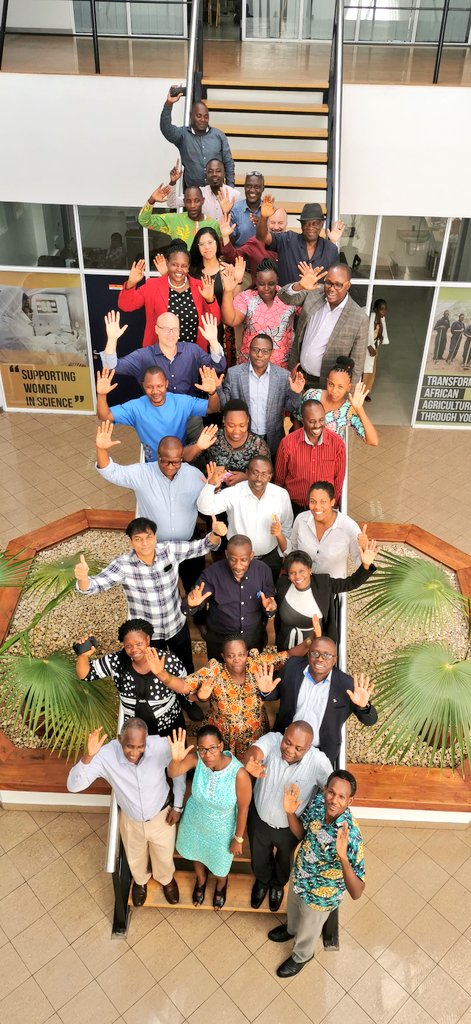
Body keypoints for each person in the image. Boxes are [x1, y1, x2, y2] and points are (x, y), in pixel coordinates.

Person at [74, 515, 225, 674]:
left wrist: (215, 534)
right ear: (131, 542)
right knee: (153, 671)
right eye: (138, 539)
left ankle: (186, 689)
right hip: (146, 634)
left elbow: (203, 546)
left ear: (155, 537)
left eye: (148, 537)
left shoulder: (169, 550)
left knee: (185, 664)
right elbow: (94, 585)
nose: (145, 543)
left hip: (176, 624)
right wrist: (83, 579)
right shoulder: (123, 565)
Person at [67, 720, 185, 907]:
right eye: (129, 746)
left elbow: (178, 772)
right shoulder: (105, 755)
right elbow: (73, 786)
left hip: (162, 816)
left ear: (146, 741)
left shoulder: (161, 745)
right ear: (120, 739)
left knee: (164, 854)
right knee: (134, 855)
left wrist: (178, 806)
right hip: (131, 820)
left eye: (140, 746)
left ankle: (166, 879)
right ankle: (140, 881)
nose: (134, 752)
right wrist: (88, 757)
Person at [268, 770, 365, 976]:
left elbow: (357, 892)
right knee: (293, 911)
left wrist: (343, 858)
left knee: (308, 929)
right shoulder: (319, 802)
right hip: (301, 875)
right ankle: (291, 930)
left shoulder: (351, 835)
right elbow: (302, 834)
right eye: (331, 792)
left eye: (341, 797)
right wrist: (289, 813)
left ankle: (301, 956)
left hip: (321, 894)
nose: (334, 800)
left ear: (350, 800)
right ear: (325, 789)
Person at [94, 425, 208, 592]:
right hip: (155, 550)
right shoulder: (141, 473)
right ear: (158, 456)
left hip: (188, 546)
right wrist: (101, 449)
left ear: (182, 458)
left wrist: (214, 485)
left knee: (195, 586)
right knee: (162, 591)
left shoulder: (194, 475)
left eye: (175, 462)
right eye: (165, 461)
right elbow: (110, 472)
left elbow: (207, 503)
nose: (170, 466)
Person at [243, 721, 332, 912]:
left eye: (299, 748)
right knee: (259, 855)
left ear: (309, 747)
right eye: (287, 742)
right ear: (284, 734)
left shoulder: (318, 762)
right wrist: (251, 762)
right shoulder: (273, 739)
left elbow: (331, 790)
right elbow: (255, 751)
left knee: (285, 859)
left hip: (290, 827)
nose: (290, 750)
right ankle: (262, 880)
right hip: (259, 819)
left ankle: (277, 885)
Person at [162, 636, 289, 759]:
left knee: (251, 765)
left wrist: (308, 642)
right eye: (230, 656)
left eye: (241, 655)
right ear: (223, 656)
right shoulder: (215, 671)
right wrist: (161, 674)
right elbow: (184, 686)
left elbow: (288, 656)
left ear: (247, 654)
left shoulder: (256, 664)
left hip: (254, 732)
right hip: (223, 734)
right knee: (223, 767)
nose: (237, 659)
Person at [168, 726, 251, 908]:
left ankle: (221, 885)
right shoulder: (197, 760)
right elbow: (172, 772)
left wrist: (238, 838)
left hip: (222, 829)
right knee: (195, 853)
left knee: (220, 864)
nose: (207, 755)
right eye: (202, 749)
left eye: (212, 748)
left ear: (221, 746)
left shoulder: (239, 774)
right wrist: (176, 760)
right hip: (195, 821)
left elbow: (243, 809)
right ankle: (201, 879)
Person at [258, 635, 377, 763]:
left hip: (318, 752)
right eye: (315, 653)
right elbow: (276, 692)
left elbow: (370, 720)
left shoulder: (346, 685)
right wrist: (266, 692)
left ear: (334, 660)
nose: (320, 659)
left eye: (326, 655)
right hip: (284, 743)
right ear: (308, 654)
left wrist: (363, 707)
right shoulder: (292, 667)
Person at [74, 620, 192, 736]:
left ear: (148, 639)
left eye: (139, 644)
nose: (134, 649)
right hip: (134, 732)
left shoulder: (168, 660)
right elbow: (85, 675)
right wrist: (83, 655)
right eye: (128, 646)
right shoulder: (116, 661)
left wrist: (161, 674)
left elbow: (187, 689)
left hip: (169, 726)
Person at [95, 364, 220, 464]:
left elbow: (212, 408)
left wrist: (212, 393)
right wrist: (101, 395)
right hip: (153, 464)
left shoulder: (182, 402)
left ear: (166, 384)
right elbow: (105, 416)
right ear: (143, 386)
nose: (155, 391)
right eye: (149, 387)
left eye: (159, 386)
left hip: (179, 461)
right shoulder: (135, 407)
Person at [197, 455, 293, 582]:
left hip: (270, 559)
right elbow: (205, 508)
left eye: (264, 474)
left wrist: (280, 555)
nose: (259, 478)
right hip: (238, 561)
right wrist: (211, 484)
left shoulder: (281, 495)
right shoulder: (234, 492)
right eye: (255, 473)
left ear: (270, 477)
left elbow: (286, 526)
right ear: (247, 473)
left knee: (267, 593)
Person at [184, 534, 276, 661]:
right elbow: (188, 605)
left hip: (253, 640)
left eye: (243, 560)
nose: (238, 566)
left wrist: (270, 608)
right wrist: (191, 605)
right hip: (220, 641)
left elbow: (269, 603)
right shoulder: (212, 574)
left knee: (252, 672)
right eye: (233, 559)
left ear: (251, 556)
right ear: (226, 554)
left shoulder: (263, 571)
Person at [117, 241, 221, 350]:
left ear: (188, 267)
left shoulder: (200, 287)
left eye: (184, 266)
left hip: (193, 354)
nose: (179, 269)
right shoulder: (153, 286)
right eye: (174, 264)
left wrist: (210, 300)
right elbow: (125, 305)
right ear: (167, 263)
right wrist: (131, 283)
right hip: (159, 355)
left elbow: (215, 321)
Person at [280, 263, 369, 389]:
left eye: (338, 285)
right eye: (328, 283)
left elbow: (357, 364)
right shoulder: (314, 292)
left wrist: (347, 396)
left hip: (327, 386)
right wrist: (299, 285)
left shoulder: (359, 318)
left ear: (348, 285)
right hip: (298, 376)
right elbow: (283, 297)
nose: (332, 288)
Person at [218, 334, 305, 459]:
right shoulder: (234, 373)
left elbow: (292, 408)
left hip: (272, 438)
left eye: (265, 351)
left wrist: (296, 393)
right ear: (249, 350)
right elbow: (224, 405)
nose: (259, 354)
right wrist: (216, 388)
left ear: (271, 352)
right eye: (255, 350)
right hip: (244, 437)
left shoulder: (283, 376)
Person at [274, 543, 377, 649]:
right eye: (292, 573)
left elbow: (351, 583)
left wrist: (365, 565)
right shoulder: (282, 585)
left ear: (310, 570)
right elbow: (272, 608)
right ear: (288, 575)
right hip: (286, 645)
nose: (297, 576)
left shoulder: (323, 584)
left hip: (316, 647)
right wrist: (270, 610)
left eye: (302, 571)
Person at [100, 310, 226, 392]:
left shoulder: (192, 350)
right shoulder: (143, 356)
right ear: (156, 329)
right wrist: (111, 339)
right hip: (156, 413)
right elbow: (111, 367)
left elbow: (218, 366)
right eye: (166, 329)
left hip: (189, 412)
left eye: (175, 329)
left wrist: (213, 341)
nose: (171, 334)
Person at [221, 259, 298, 369]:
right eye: (261, 284)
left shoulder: (289, 297)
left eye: (271, 284)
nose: (266, 288)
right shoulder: (247, 297)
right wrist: (228, 291)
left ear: (277, 281)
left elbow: (309, 311)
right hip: (250, 366)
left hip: (281, 368)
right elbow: (231, 321)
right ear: (256, 281)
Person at [275, 399, 346, 515]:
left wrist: (333, 506)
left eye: (321, 420)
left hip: (324, 508)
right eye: (312, 421)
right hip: (294, 507)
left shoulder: (337, 443)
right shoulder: (287, 443)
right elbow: (279, 480)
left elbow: (338, 480)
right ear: (303, 421)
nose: (317, 425)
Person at [256, 196, 344, 287]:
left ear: (321, 224)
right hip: (287, 295)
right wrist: (264, 217)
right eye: (306, 223)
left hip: (318, 296)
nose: (310, 227)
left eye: (315, 223)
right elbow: (262, 236)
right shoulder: (287, 240)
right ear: (301, 225)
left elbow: (335, 280)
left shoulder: (331, 249)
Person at [286, 481, 367, 578]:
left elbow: (361, 563)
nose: (317, 507)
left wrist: (364, 549)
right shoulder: (301, 519)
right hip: (303, 583)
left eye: (323, 501)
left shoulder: (349, 527)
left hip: (333, 585)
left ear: (332, 502)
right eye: (312, 501)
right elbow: (293, 551)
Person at [160, 87, 235, 188]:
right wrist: (169, 104)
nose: (203, 120)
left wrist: (230, 188)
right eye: (199, 116)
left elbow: (228, 163)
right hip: (193, 193)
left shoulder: (219, 135)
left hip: (216, 191)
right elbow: (166, 129)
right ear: (191, 116)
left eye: (206, 116)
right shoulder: (183, 135)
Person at [300, 356, 379, 445]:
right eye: (331, 384)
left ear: (348, 387)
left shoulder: (349, 410)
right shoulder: (312, 395)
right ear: (327, 381)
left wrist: (359, 409)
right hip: (305, 451)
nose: (334, 391)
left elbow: (373, 441)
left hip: (331, 453)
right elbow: (297, 417)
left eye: (340, 387)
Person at [138, 184, 221, 250]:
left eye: (197, 201)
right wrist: (151, 200)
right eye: (188, 201)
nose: (193, 205)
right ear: (184, 202)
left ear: (203, 201)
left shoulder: (213, 224)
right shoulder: (174, 219)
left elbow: (220, 250)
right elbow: (144, 221)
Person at [207, 399, 271, 482]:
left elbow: (267, 476)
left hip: (247, 488)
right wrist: (198, 447)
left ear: (248, 420)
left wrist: (247, 478)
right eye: (231, 425)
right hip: (215, 487)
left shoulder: (258, 444)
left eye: (242, 425)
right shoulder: (213, 437)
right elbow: (190, 459)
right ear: (223, 420)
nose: (236, 431)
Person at [220, 208, 285, 285]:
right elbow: (234, 257)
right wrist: (225, 237)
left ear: (286, 223)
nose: (276, 227)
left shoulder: (292, 242)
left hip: (287, 290)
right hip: (259, 290)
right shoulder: (256, 242)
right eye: (272, 223)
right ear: (267, 223)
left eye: (280, 223)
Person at [165, 158, 242, 221]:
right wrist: (173, 182)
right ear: (206, 175)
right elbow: (172, 203)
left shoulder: (234, 195)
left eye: (218, 171)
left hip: (227, 235)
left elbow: (239, 220)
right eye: (210, 172)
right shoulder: (199, 193)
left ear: (224, 174)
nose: (214, 174)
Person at [363, 299, 389, 397]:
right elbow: (363, 333)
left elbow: (381, 331)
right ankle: (360, 392)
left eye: (385, 309)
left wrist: (380, 337)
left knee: (372, 370)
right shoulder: (370, 319)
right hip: (367, 347)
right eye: (381, 309)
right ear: (375, 309)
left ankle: (366, 392)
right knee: (365, 370)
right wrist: (369, 346)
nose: (384, 311)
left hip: (375, 346)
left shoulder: (381, 319)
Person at [230, 172, 265, 246]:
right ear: (244, 187)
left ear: (263, 188)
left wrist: (262, 224)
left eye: (257, 187)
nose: (252, 190)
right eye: (249, 186)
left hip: (264, 253)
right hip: (240, 253)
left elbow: (274, 238)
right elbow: (231, 242)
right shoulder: (235, 209)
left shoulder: (270, 210)